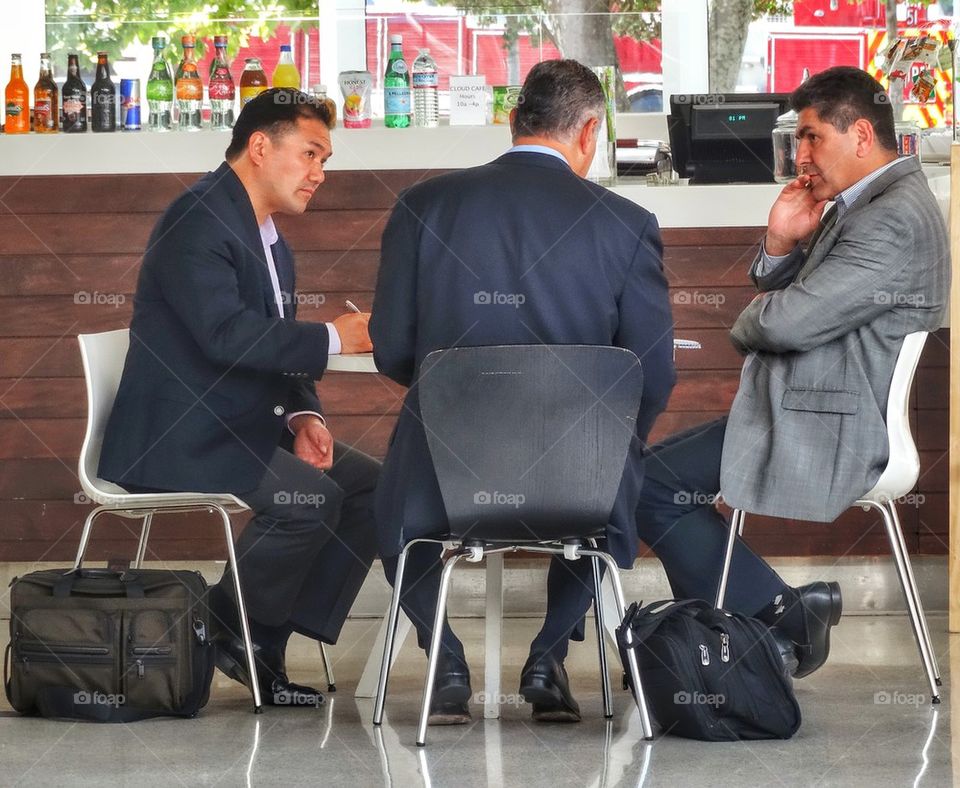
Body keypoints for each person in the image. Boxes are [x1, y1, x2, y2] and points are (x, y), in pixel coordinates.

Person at [370, 60, 675, 724]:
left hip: (446, 469)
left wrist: (451, 404)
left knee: (390, 503)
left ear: (513, 122)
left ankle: (446, 661)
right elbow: (652, 374)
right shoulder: (627, 221)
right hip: (579, 474)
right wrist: (612, 440)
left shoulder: (422, 205)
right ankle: (547, 658)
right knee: (615, 474)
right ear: (590, 131)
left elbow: (391, 348)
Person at [637, 66, 949, 677]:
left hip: (837, 426)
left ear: (861, 134)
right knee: (652, 479)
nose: (799, 155)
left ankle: (769, 625)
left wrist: (752, 318)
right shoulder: (863, 203)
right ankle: (767, 625)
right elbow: (797, 302)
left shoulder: (889, 218)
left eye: (811, 138)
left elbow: (783, 324)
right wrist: (780, 244)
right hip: (812, 407)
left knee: (651, 487)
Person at [98, 88, 380, 707]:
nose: (319, 174)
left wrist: (304, 413)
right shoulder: (197, 219)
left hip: (240, 422)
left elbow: (270, 342)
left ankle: (262, 636)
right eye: (310, 154)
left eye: (325, 160)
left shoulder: (269, 235)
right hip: (181, 433)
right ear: (259, 146)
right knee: (308, 499)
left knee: (367, 487)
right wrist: (333, 335)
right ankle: (234, 629)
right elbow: (226, 335)